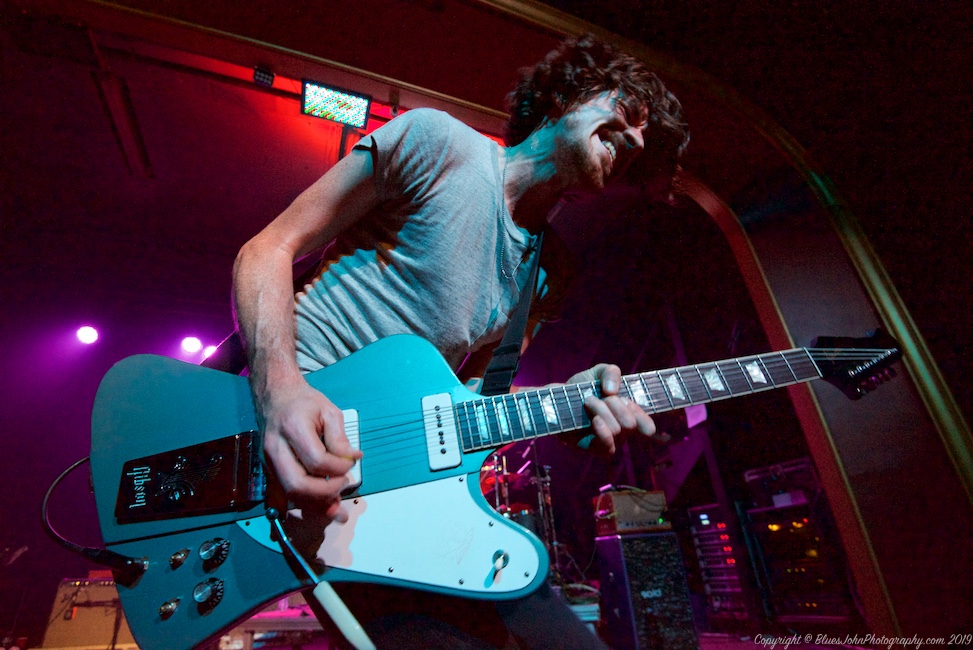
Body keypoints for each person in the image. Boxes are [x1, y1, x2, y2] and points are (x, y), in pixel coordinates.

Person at [233, 34, 689, 649]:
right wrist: (282, 392)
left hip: (395, 477)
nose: (633, 140)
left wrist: (564, 407)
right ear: (566, 95)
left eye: (640, 143)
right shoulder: (437, 142)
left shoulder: (552, 269)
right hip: (288, 438)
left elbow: (476, 398)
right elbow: (267, 250)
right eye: (626, 114)